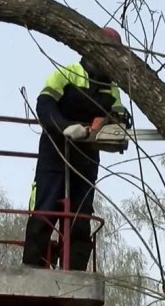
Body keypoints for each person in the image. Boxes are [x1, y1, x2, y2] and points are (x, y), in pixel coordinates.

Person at [22, 26, 131, 271]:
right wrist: (64, 127)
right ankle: (33, 267)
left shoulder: (111, 88)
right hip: (55, 152)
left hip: (86, 157)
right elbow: (45, 104)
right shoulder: (66, 74)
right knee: (45, 208)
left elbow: (119, 118)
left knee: (81, 217)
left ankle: (75, 271)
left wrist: (115, 131)